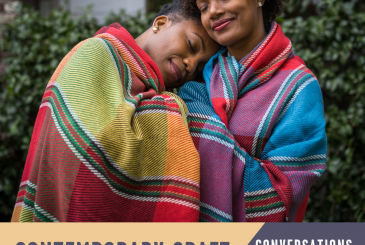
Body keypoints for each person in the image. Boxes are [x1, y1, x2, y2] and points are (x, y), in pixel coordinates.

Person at [11, 1, 220, 222]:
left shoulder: (156, 96)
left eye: (198, 67)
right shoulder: (95, 53)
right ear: (160, 23)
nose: (190, 64)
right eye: (192, 45)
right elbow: (77, 149)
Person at [178, 0, 327, 222]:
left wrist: (208, 135)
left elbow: (280, 197)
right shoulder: (198, 76)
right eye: (204, 7)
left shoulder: (298, 87)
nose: (214, 11)